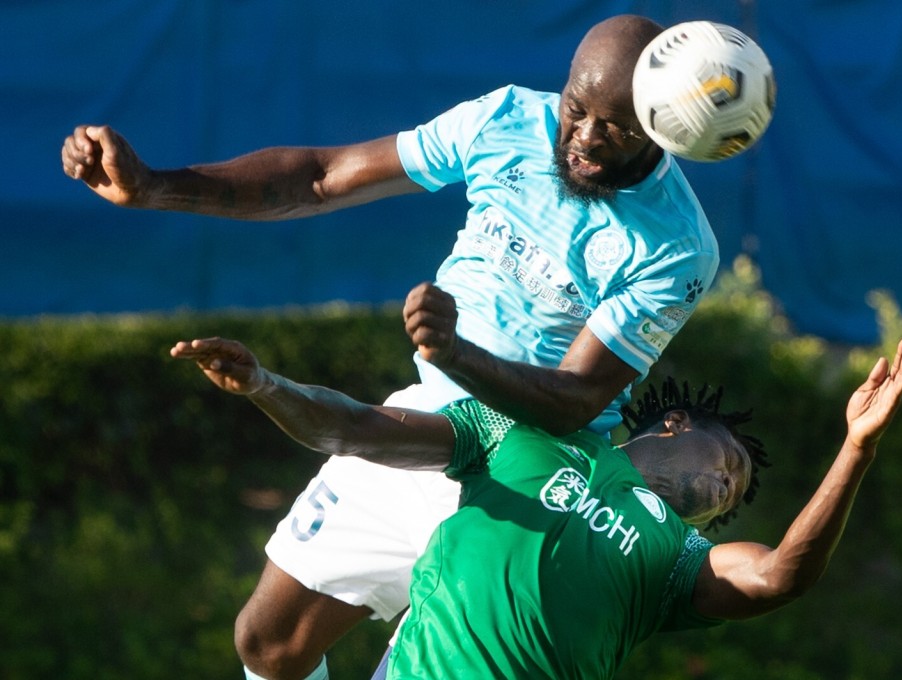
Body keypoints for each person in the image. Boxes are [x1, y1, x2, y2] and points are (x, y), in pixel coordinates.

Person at [65, 15, 722, 679]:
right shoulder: (506, 120)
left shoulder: (677, 244)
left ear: (660, 128)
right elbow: (323, 175)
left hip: (527, 477)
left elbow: (576, 400)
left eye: (613, 127)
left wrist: (459, 354)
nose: (582, 137)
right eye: (576, 109)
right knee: (269, 643)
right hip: (423, 417)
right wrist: (155, 187)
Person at [170, 334, 902, 679]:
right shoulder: (519, 437)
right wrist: (268, 385)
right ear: (674, 425)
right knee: (263, 645)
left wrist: (856, 448)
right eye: (728, 463)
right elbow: (357, 428)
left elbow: (780, 575)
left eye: (732, 497)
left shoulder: (674, 561)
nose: (727, 487)